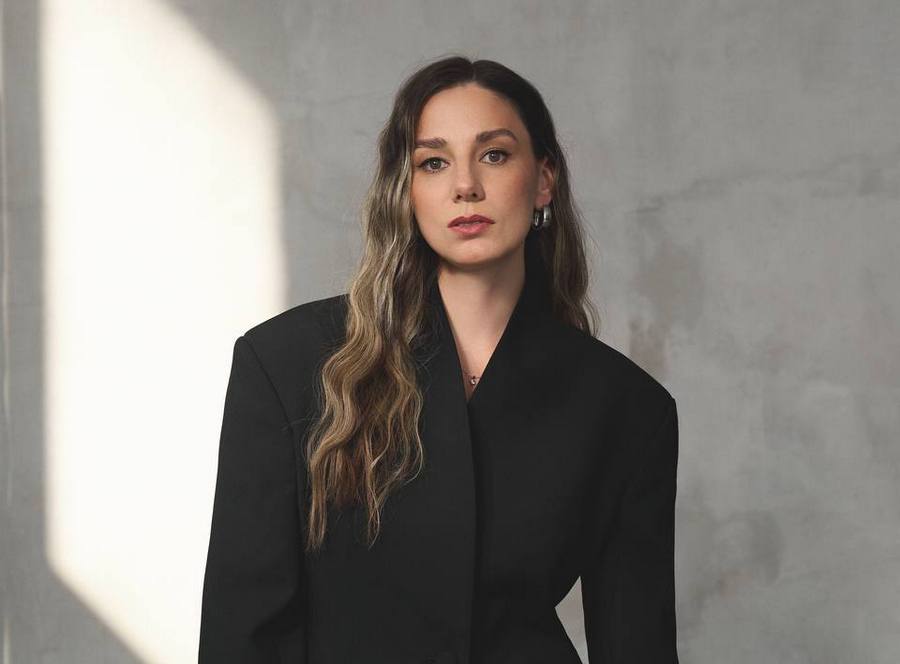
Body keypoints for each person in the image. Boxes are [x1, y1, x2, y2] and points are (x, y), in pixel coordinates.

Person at [199, 55, 680, 664]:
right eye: (434, 162)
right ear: (406, 191)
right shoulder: (285, 363)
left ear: (543, 180)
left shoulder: (625, 407)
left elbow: (638, 647)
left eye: (494, 155)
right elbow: (242, 636)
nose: (465, 186)